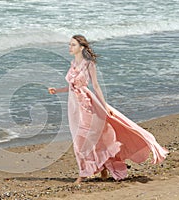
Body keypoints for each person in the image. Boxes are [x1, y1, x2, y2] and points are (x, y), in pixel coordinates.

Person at [48, 35, 169, 184]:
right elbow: (72, 86)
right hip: (74, 107)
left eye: (73, 45)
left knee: (83, 139)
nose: (70, 47)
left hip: (87, 104)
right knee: (81, 137)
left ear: (82, 48)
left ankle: (83, 174)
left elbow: (96, 86)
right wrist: (58, 90)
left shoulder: (89, 64)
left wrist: (104, 107)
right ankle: (102, 167)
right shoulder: (73, 63)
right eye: (69, 44)